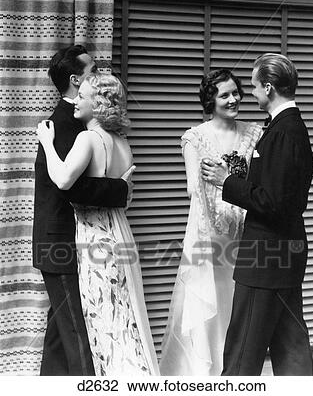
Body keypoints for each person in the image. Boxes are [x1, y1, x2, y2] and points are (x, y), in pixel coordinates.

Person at [36, 72, 159, 376]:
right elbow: (124, 197)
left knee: (101, 318)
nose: (76, 100)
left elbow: (64, 180)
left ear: (98, 103)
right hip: (119, 232)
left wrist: (48, 144)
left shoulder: (88, 138)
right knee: (122, 315)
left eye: (82, 96)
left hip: (94, 237)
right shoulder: (122, 142)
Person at [201, 54, 313, 376]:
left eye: (252, 86)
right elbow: (279, 192)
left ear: (268, 86)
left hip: (266, 255)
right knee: (290, 346)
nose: (249, 93)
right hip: (284, 253)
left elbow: (274, 202)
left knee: (243, 351)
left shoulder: (283, 132)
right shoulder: (289, 128)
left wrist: (227, 182)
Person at [33, 45, 129, 375]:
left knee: (61, 333)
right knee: (78, 333)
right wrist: (122, 189)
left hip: (70, 241)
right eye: (93, 69)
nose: (99, 73)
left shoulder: (82, 122)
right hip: (60, 241)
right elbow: (70, 187)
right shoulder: (67, 123)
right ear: (77, 80)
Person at [159, 69, 262, 375]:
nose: (234, 99)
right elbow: (193, 184)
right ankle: (203, 370)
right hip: (208, 230)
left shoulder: (255, 133)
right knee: (207, 298)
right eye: (224, 95)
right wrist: (205, 180)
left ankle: (232, 367)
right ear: (210, 100)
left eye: (236, 92)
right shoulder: (196, 136)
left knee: (237, 299)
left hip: (244, 229)